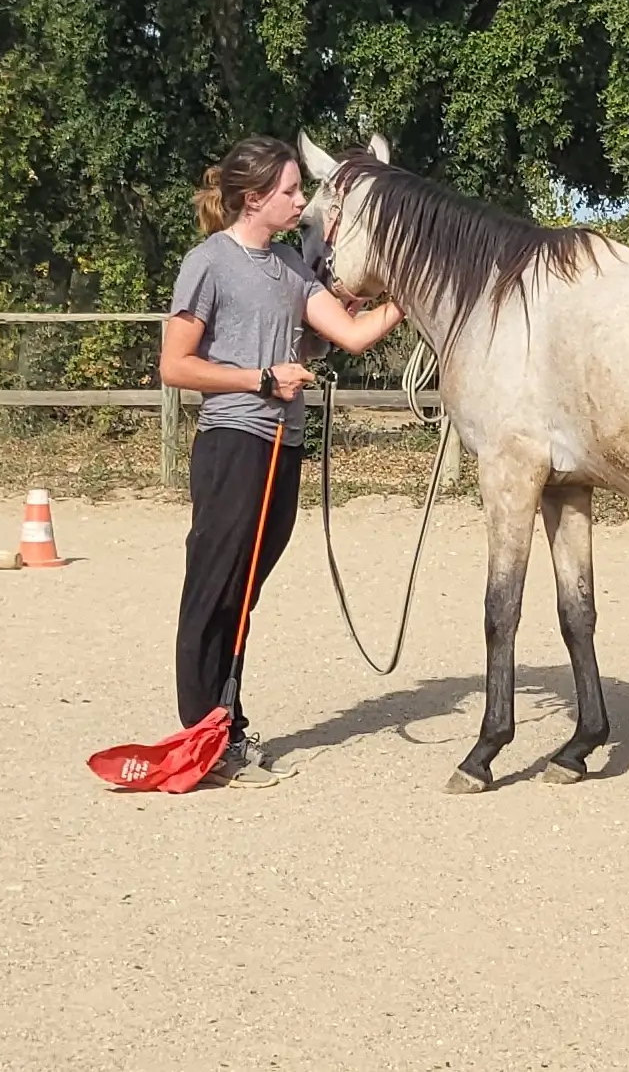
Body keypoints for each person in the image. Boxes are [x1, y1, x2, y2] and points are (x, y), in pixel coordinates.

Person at [160, 134, 405, 787]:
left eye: (300, 191)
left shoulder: (293, 265)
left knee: (245, 593)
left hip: (284, 448)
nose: (302, 202)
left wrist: (416, 288)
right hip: (234, 442)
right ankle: (205, 740)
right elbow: (174, 365)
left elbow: (351, 333)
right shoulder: (208, 263)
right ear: (254, 198)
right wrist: (260, 379)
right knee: (213, 592)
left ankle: (226, 726)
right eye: (292, 191)